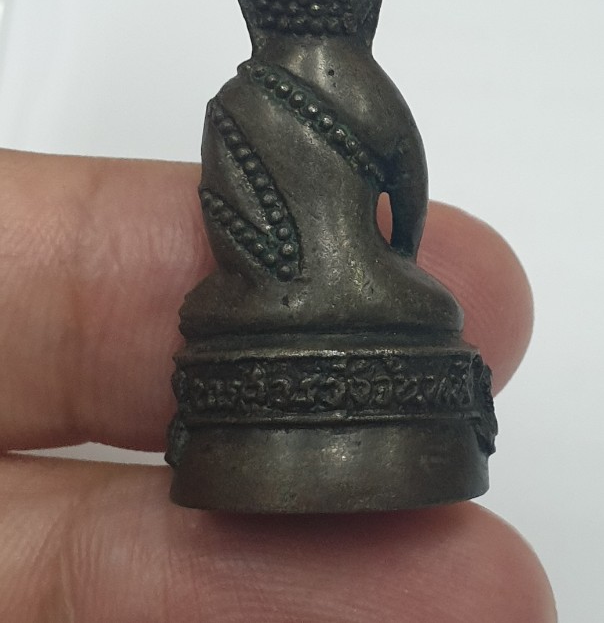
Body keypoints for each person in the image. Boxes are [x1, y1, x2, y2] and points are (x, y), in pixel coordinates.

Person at [0, 148, 556, 621]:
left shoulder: (238, 102)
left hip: (282, 291)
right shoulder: (338, 91)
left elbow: (225, 215)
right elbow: (408, 195)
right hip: (347, 286)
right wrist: (399, 259)